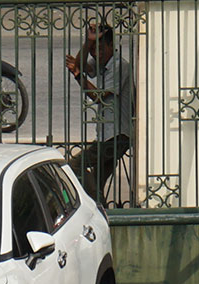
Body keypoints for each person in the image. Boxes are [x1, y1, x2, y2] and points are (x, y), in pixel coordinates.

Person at [65, 22, 135, 205]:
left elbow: (98, 97)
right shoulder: (102, 63)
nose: (96, 54)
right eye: (93, 50)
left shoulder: (119, 66)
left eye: (101, 49)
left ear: (111, 46)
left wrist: (79, 76)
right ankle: (100, 208)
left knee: (75, 166)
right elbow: (79, 65)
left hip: (117, 136)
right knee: (96, 182)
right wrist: (88, 42)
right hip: (107, 136)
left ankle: (99, 208)